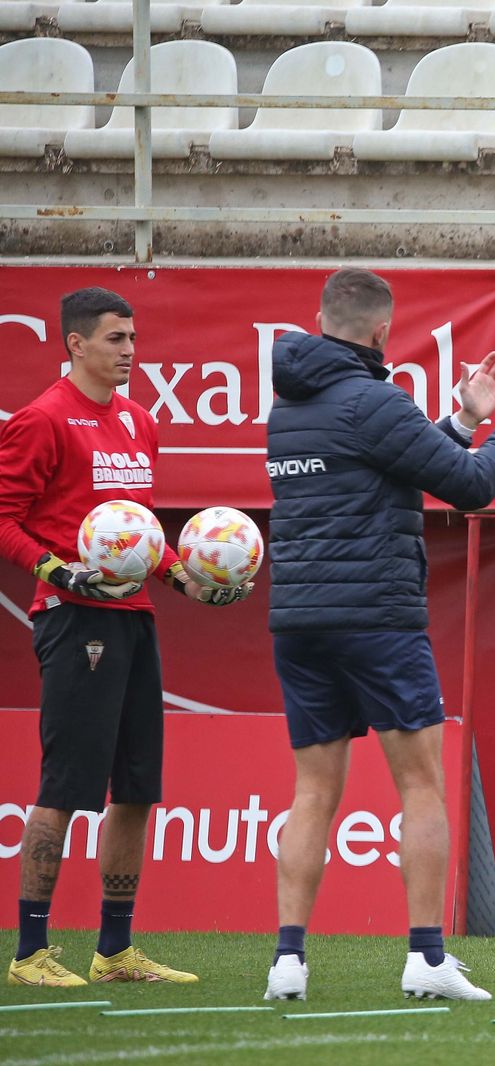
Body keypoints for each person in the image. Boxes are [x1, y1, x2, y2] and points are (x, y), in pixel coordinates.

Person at [262, 268, 495, 1002]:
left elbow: (389, 469)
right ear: (384, 333)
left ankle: (287, 961)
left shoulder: (287, 408)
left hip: (299, 618)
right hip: (376, 616)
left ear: (319, 319)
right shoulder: (376, 400)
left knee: (312, 791)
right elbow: (474, 486)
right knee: (421, 784)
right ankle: (426, 959)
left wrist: (461, 419)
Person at [0, 287, 252, 988]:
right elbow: (4, 516)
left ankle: (114, 951)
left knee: (136, 789)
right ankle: (29, 955)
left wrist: (188, 581)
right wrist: (53, 569)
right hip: (73, 619)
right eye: (115, 340)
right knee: (64, 787)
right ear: (76, 344)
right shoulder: (42, 419)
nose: (130, 352)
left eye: (134, 339)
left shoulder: (141, 422)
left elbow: (141, 536)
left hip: (135, 619)